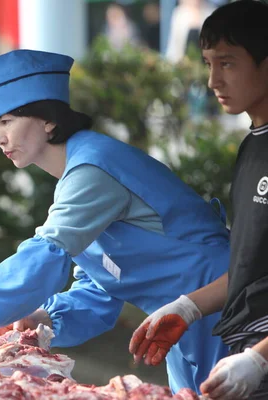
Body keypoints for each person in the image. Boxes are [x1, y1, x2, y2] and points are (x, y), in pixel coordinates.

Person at [0, 48, 231, 394]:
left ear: (48, 120)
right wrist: (42, 320)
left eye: (6, 121)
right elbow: (101, 286)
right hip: (181, 325)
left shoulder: (93, 168)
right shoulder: (78, 172)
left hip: (221, 307)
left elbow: (45, 256)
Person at [129, 2, 268, 399]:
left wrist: (260, 359)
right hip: (244, 349)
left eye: (227, 63)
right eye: (208, 63)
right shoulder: (251, 148)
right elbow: (249, 268)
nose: (212, 81)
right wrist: (187, 308)